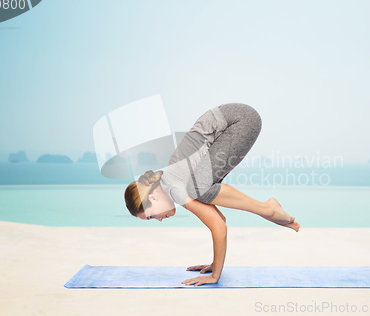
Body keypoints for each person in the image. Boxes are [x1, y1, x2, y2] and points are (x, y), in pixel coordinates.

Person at [124, 103, 300, 287]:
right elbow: (219, 220)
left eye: (152, 216)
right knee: (199, 188)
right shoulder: (175, 185)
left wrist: (215, 275)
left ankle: (267, 208)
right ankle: (268, 209)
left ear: (152, 197)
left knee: (198, 188)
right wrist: (215, 263)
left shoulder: (174, 187)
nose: (158, 220)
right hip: (236, 122)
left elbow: (219, 227)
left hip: (238, 121)